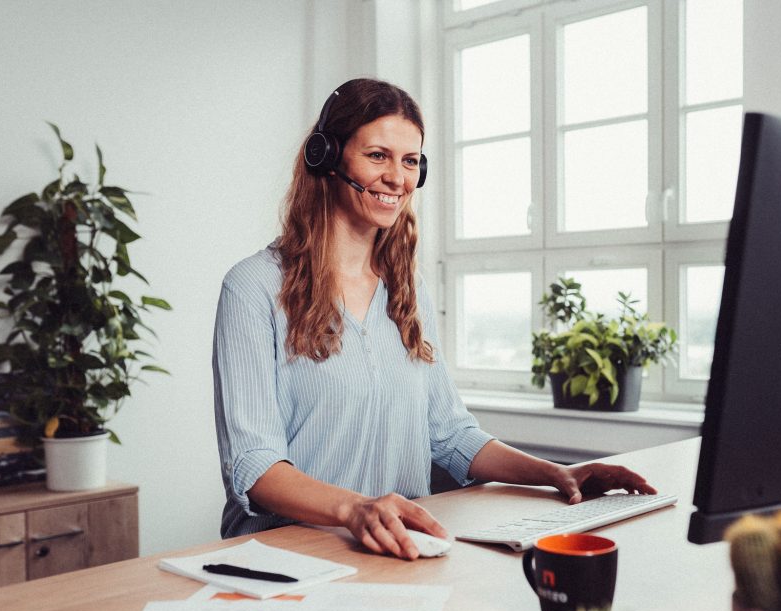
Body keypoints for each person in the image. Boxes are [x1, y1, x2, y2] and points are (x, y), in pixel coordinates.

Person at [213, 78, 656, 561]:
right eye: (378, 156)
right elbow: (255, 466)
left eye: (410, 162)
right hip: (287, 555)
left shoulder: (407, 289)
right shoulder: (253, 287)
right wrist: (356, 509)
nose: (397, 179)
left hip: (394, 551)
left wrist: (557, 473)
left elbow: (450, 434)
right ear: (327, 157)